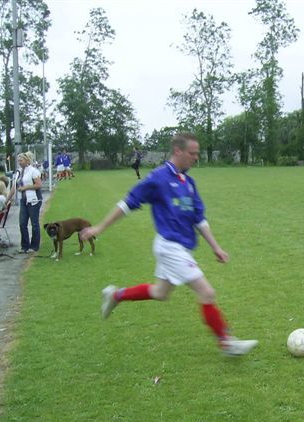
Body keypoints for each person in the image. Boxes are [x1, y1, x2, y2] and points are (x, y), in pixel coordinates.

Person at [81, 133, 258, 356]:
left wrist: (216, 247)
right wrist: (99, 228)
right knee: (207, 292)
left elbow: (199, 219)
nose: (196, 158)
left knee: (160, 292)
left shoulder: (189, 183)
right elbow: (127, 203)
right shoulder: (158, 178)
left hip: (179, 247)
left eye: (197, 153)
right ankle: (226, 342)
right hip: (169, 247)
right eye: (192, 153)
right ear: (178, 151)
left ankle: (116, 295)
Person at [7, 151, 43, 254]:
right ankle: (24, 246)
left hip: (34, 200)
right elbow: (14, 187)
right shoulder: (18, 172)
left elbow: (38, 185)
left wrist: (26, 187)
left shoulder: (33, 171)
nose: (19, 162)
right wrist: (7, 200)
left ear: (27, 160)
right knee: (22, 223)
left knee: (34, 223)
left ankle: (34, 246)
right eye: (18, 160)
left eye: (21, 160)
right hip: (23, 200)